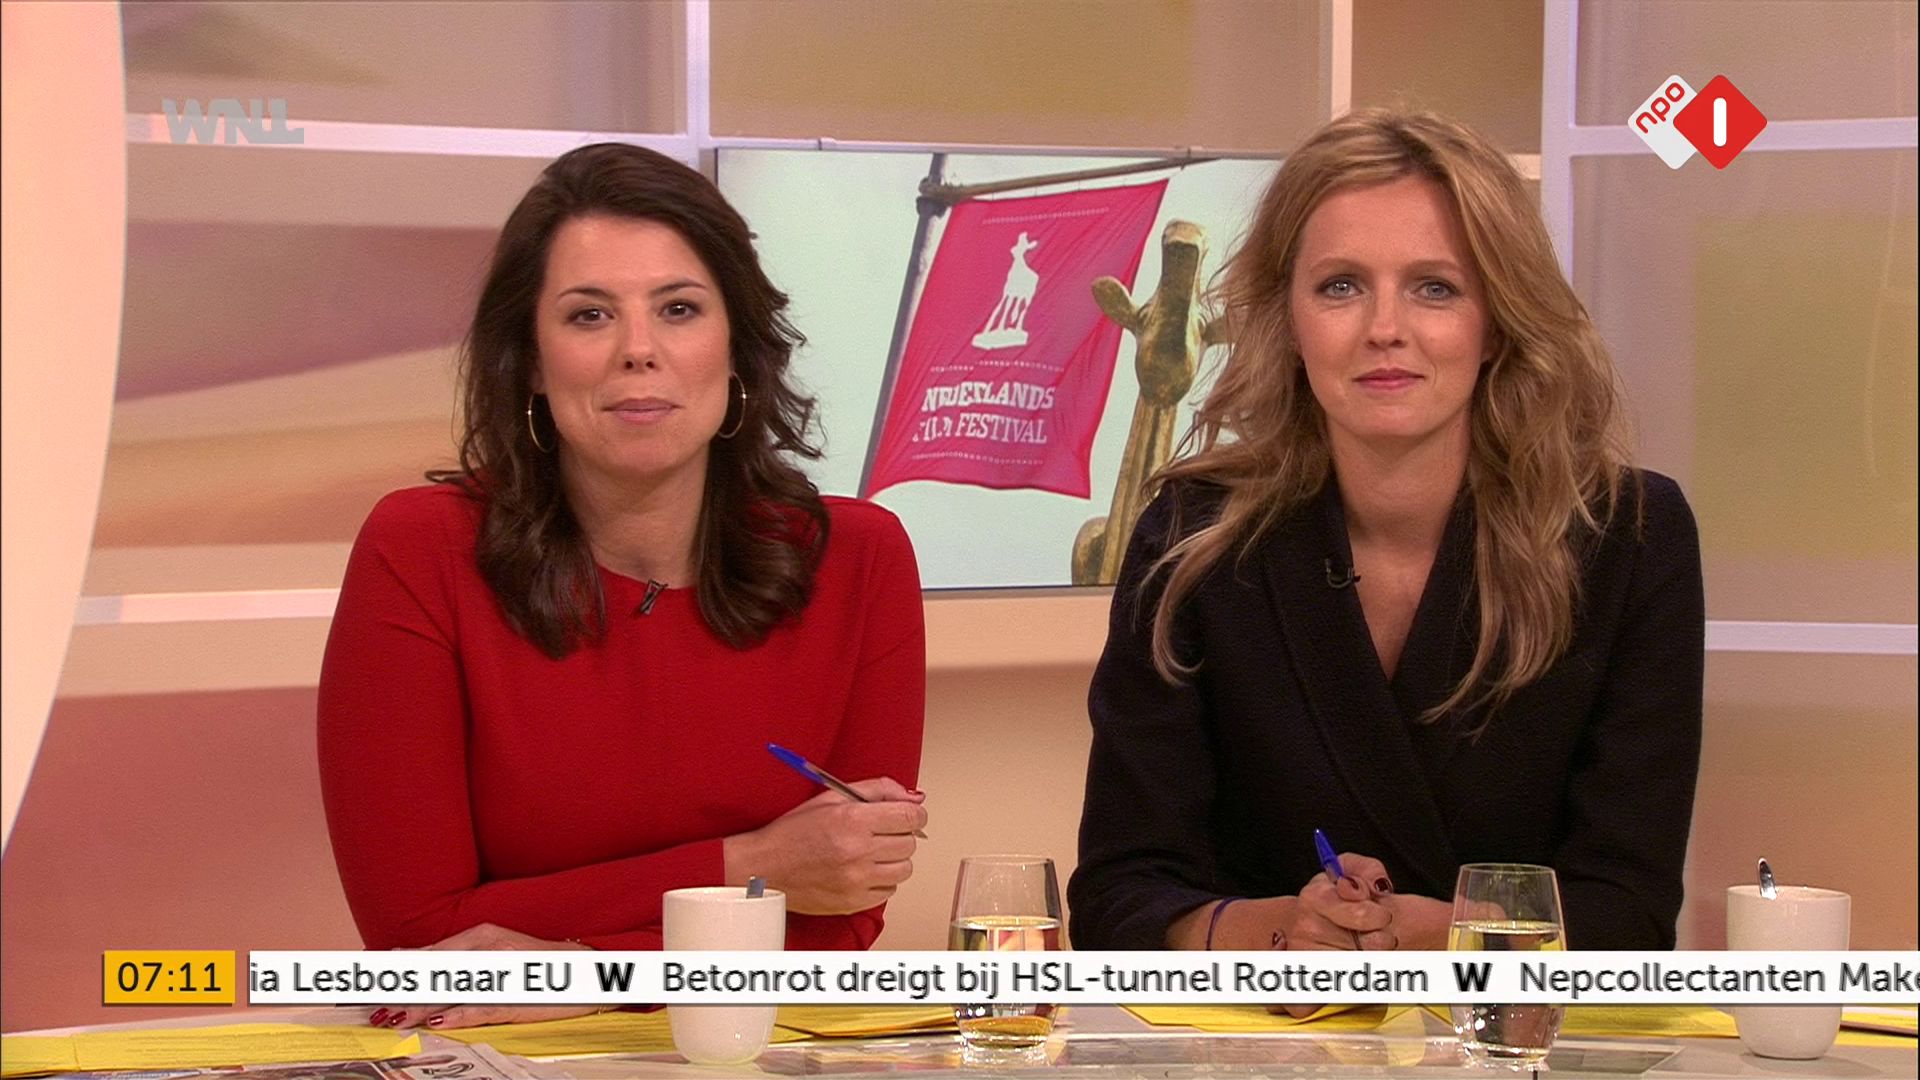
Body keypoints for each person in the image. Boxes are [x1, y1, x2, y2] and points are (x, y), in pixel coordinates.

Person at [1068, 110, 1704, 978]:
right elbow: (1120, 897)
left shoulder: (1628, 536)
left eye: (1435, 288)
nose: (1384, 328)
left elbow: (1629, 914)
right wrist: (1282, 933)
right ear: (1288, 319)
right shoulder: (1193, 537)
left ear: (1498, 320)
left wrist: (1449, 935)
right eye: (1341, 286)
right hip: (1262, 1036)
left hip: (1515, 1034)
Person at [317, 143, 928, 1029]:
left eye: (679, 309)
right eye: (590, 315)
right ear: (531, 359)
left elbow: (837, 920)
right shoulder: (420, 551)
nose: (639, 351)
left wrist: (577, 971)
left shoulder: (859, 559)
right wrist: (752, 866)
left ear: (737, 346)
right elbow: (420, 946)